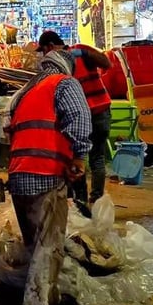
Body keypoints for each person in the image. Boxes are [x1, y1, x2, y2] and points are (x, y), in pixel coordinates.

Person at [6, 48, 92, 305]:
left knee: (36, 245)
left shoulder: (26, 91)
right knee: (48, 248)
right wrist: (80, 158)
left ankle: (44, 299)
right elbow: (79, 120)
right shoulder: (64, 84)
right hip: (45, 175)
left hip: (19, 176)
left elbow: (8, 128)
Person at [37, 31, 112, 214]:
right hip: (100, 111)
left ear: (50, 46)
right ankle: (91, 204)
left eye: (44, 50)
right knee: (95, 159)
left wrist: (86, 54)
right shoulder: (64, 62)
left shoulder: (75, 54)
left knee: (79, 159)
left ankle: (83, 204)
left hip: (88, 115)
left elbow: (107, 63)